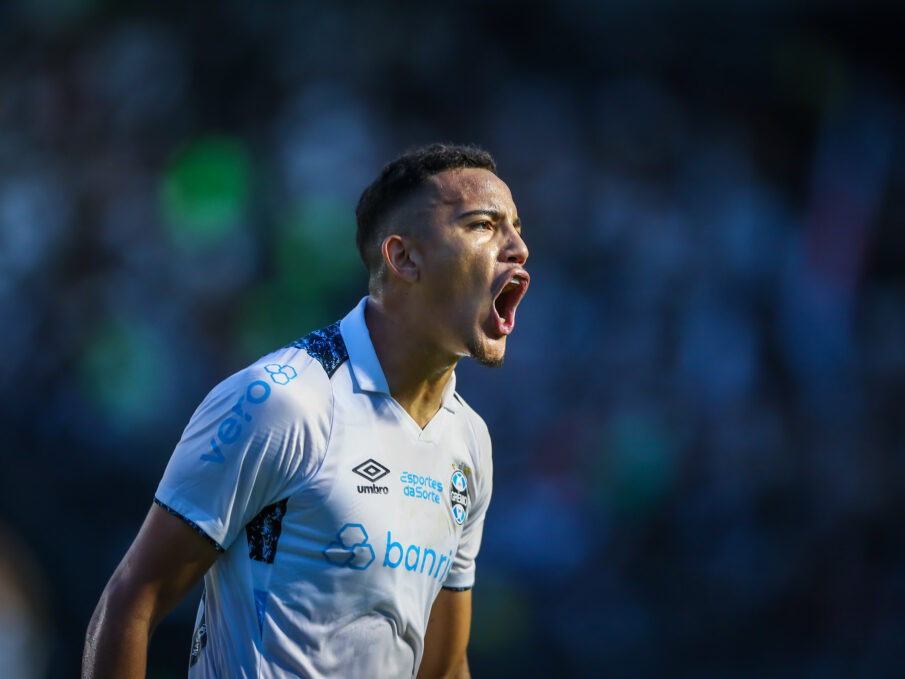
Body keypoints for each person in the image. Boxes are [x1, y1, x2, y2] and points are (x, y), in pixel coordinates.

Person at [82, 143, 530, 679]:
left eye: (516, 227)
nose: (518, 247)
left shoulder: (468, 442)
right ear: (403, 257)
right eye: (483, 224)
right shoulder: (284, 403)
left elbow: (445, 666)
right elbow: (134, 598)